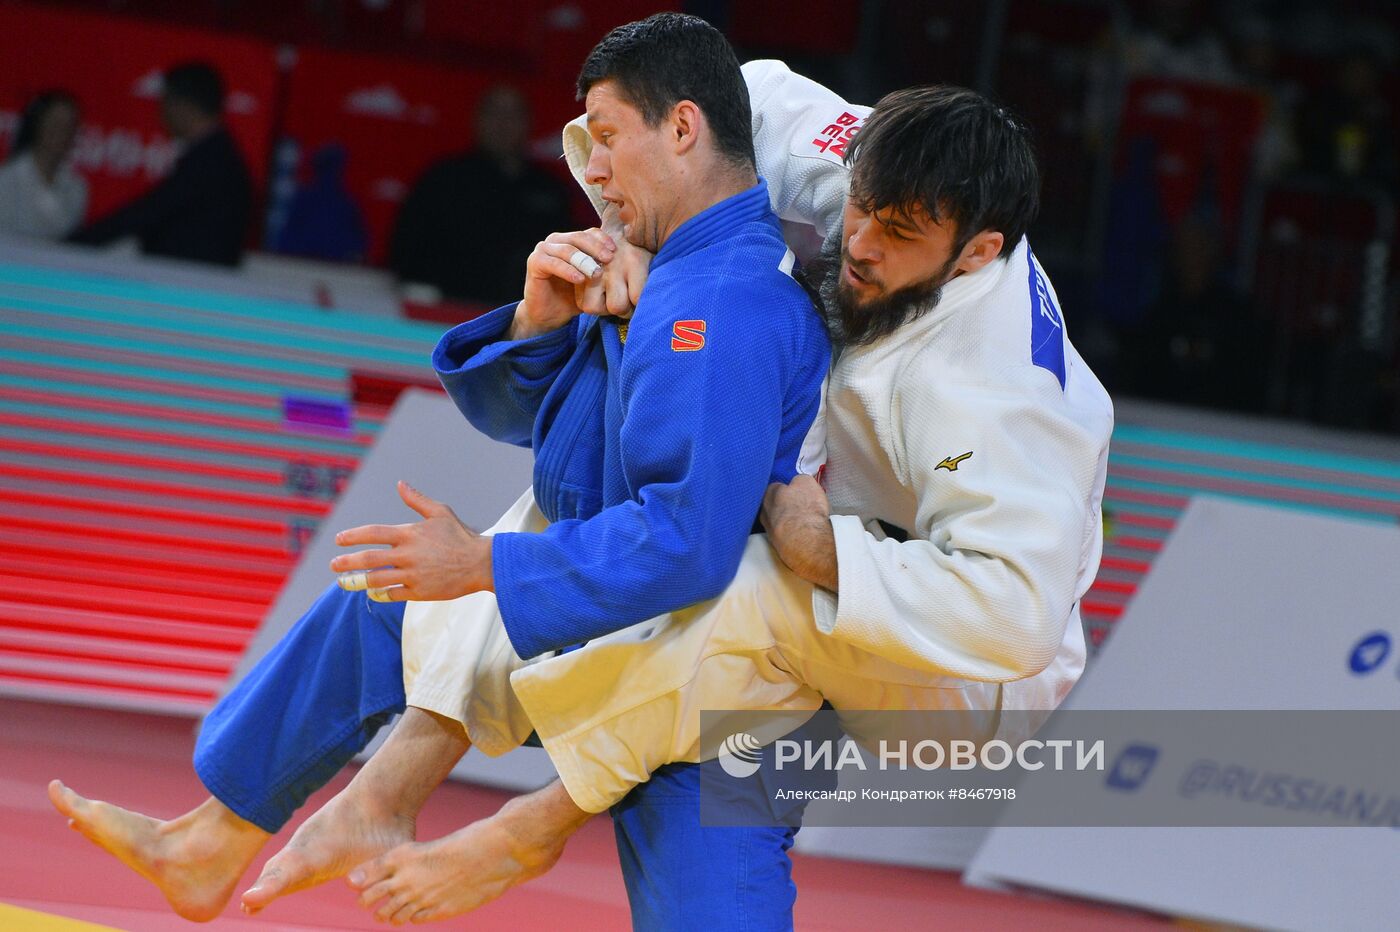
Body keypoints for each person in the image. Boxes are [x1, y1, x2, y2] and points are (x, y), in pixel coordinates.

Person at [50, 16, 831, 929]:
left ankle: (291, 824)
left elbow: (687, 544)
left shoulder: (719, 303)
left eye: (609, 137)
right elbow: (532, 431)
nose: (595, 168)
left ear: (685, 127)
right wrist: (539, 321)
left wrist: (488, 567)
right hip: (630, 615)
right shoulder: (658, 267)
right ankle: (211, 840)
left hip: (714, 686)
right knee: (384, 593)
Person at [333, 69, 1113, 923]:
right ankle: (382, 797)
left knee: (758, 592)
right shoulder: (871, 164)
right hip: (849, 527)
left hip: (971, 688)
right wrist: (636, 232)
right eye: (862, 206)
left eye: (899, 234)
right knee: (592, 509)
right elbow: (715, 99)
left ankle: (532, 826)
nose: (860, 242)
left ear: (978, 252)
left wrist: (834, 555)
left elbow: (1019, 617)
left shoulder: (1005, 401)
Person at [389, 85, 576, 306]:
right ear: (477, 119)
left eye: (513, 114)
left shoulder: (550, 189)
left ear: (529, 122)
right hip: (446, 314)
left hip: (524, 318)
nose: (503, 123)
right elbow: (405, 251)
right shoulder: (444, 179)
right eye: (494, 112)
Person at [69, 62, 252, 266]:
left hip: (187, 282)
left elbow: (147, 212)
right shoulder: (217, 155)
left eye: (164, 102)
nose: (160, 113)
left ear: (182, 105)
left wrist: (71, 246)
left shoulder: (211, 160)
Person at [0, 90, 87, 239]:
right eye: (55, 123)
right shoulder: (6, 180)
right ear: (38, 125)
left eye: (69, 126)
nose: (63, 132)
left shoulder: (76, 188)